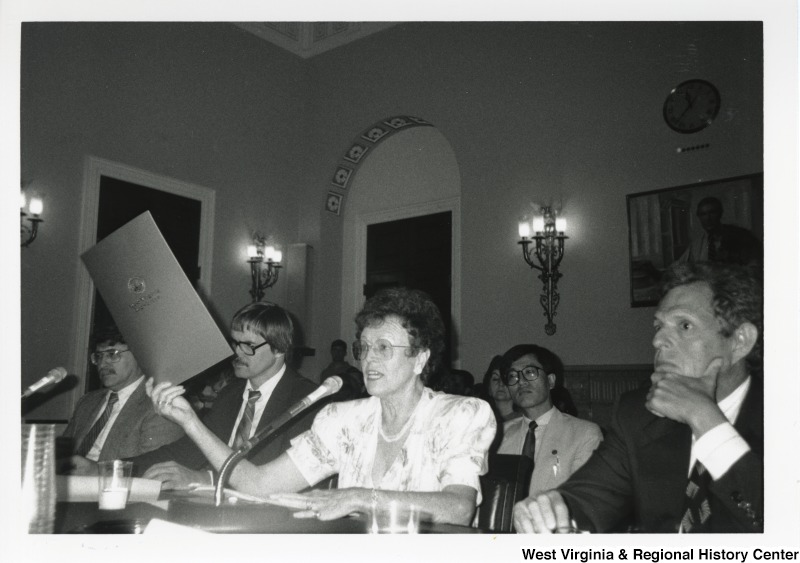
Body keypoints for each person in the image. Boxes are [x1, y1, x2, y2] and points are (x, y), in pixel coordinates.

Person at [149, 287, 497, 525]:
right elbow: (257, 484)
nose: (368, 359)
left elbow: (458, 508)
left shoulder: (460, 414)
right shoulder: (342, 418)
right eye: (364, 347)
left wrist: (358, 498)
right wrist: (191, 421)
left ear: (420, 358)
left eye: (384, 348)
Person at [513, 261, 763, 533]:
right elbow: (588, 498)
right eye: (658, 327)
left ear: (740, 341)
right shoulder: (639, 412)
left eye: (685, 326)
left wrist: (705, 419)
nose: (657, 341)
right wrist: (552, 509)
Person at [127, 302, 320, 489]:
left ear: (279, 349)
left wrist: (205, 479)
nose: (236, 352)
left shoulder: (308, 399)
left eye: (248, 345)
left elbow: (277, 478)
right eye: (234, 342)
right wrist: (114, 469)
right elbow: (186, 451)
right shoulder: (231, 394)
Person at [63, 325, 183, 469]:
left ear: (139, 355)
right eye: (98, 356)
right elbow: (62, 454)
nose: (102, 363)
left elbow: (153, 470)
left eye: (112, 354)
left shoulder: (159, 405)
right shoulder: (87, 402)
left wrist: (93, 470)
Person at [496, 344, 602, 498]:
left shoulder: (584, 434)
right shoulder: (498, 435)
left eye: (530, 372)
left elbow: (585, 497)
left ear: (551, 381)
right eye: (513, 376)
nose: (521, 382)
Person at [677, 197, 761, 266]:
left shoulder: (740, 236)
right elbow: (678, 266)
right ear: (699, 217)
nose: (708, 218)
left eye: (712, 212)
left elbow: (754, 265)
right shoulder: (696, 245)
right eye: (703, 214)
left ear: (720, 213)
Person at [482, 355, 521, 423]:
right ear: (488, 386)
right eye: (495, 379)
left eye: (506, 379)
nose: (501, 383)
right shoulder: (480, 418)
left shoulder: (524, 421)